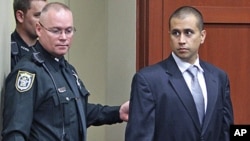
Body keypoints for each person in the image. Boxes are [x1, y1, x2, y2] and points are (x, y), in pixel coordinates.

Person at [2, 2, 128, 141]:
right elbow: (15, 133)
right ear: (39, 29)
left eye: (68, 30)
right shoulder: (28, 72)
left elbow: (76, 111)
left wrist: (117, 112)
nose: (63, 37)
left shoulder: (67, 69)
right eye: (56, 30)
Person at [125, 6, 233, 141]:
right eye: (176, 33)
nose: (181, 40)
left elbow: (226, 131)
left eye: (188, 33)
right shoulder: (148, 80)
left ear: (202, 36)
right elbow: (139, 136)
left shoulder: (219, 77)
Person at [11, 0, 47, 70]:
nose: (44, 21)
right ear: (20, 16)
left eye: (46, 16)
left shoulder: (47, 51)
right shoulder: (7, 53)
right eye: (38, 15)